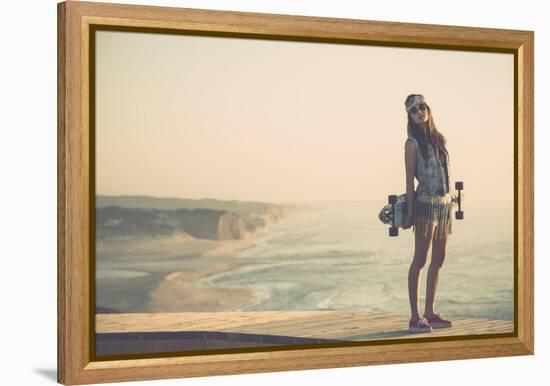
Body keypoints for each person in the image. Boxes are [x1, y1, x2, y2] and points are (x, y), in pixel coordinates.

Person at [402, 94, 454, 333]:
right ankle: (415, 317)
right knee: (420, 260)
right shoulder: (411, 144)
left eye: (422, 107)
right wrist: (411, 212)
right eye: (414, 110)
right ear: (410, 116)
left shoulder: (439, 140)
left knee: (439, 259)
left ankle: (430, 313)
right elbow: (409, 182)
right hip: (424, 206)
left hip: (444, 206)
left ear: (428, 109)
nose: (419, 112)